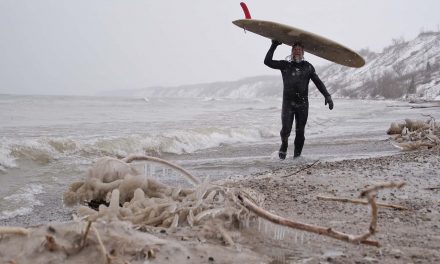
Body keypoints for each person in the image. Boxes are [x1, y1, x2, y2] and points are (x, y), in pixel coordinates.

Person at [264, 40, 333, 160]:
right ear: (291, 52)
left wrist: (327, 95)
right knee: (286, 130)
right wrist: (274, 45)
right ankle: (284, 144)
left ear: (303, 52)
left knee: (300, 132)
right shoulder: (285, 65)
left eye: (299, 50)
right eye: (295, 49)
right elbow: (267, 62)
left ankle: (297, 158)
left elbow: (318, 82)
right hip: (288, 104)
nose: (297, 51)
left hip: (303, 104)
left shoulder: (308, 67)